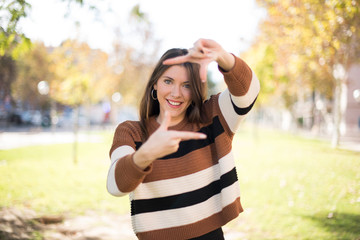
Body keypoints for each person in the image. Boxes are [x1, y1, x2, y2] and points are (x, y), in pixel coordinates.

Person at [107, 38, 260, 240]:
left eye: (186, 85)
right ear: (155, 84)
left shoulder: (213, 116)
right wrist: (145, 154)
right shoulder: (131, 132)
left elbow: (249, 92)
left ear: (195, 90)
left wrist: (222, 56)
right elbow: (115, 186)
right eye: (168, 81)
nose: (176, 93)